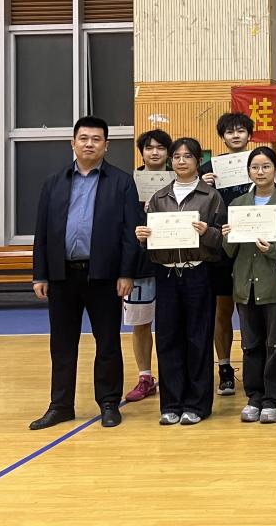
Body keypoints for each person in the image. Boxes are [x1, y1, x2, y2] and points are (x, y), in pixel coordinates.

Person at [30, 117, 142, 430]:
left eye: (96, 139)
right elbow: (42, 231)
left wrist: (127, 273)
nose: (89, 144)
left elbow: (130, 232)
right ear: (73, 143)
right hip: (62, 276)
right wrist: (40, 274)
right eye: (83, 138)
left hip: (104, 275)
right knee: (61, 344)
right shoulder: (54, 182)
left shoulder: (121, 182)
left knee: (107, 342)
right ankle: (60, 405)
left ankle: (109, 403)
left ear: (106, 145)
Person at [139, 137, 227, 425]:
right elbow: (151, 240)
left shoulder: (211, 196)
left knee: (198, 338)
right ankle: (171, 403)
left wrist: (207, 232)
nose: (181, 161)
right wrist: (143, 237)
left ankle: (197, 404)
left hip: (197, 272)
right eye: (176, 156)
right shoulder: (159, 197)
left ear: (198, 161)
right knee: (167, 338)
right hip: (166, 273)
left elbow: (223, 239)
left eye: (187, 156)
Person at [221, 147, 276, 424]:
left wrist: (273, 249)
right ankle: (254, 397)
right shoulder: (238, 204)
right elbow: (229, 252)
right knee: (250, 345)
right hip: (245, 285)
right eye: (255, 167)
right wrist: (227, 236)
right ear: (248, 172)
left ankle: (275, 400)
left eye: (266, 166)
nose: (260, 172)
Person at [199, 111, 254, 398]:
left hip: (252, 248)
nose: (235, 135)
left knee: (253, 311)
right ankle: (224, 368)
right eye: (230, 131)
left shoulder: (260, 162)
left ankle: (255, 367)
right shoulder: (209, 168)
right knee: (223, 310)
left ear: (249, 135)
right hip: (221, 249)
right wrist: (203, 184)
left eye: (240, 130)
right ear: (222, 137)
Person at [124, 128, 173, 404]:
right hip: (140, 265)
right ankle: (145, 376)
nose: (155, 152)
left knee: (173, 322)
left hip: (173, 261)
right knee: (141, 322)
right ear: (141, 152)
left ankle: (173, 374)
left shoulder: (180, 180)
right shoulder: (128, 183)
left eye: (160, 148)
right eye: (149, 148)